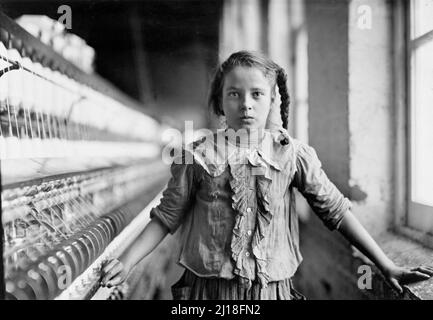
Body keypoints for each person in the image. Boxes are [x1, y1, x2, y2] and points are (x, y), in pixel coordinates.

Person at [100, 51, 433, 300]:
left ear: (273, 99)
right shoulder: (196, 156)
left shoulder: (293, 155)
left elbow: (336, 211)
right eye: (234, 93)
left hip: (271, 292)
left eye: (257, 94)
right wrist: (126, 263)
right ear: (219, 100)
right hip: (208, 294)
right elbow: (165, 217)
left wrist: (384, 263)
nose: (246, 104)